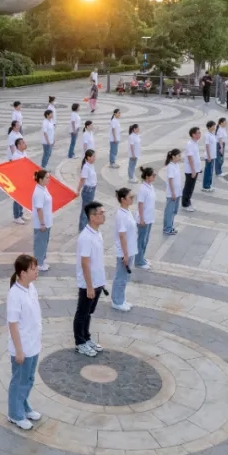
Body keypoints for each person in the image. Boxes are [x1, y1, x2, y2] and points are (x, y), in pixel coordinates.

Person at [6, 254, 42, 430]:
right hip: (23, 347)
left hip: (33, 344)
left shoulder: (31, 287)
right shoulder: (15, 294)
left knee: (28, 379)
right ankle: (15, 413)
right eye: (33, 269)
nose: (37, 272)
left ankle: (23, 405)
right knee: (19, 380)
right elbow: (13, 325)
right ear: (22, 273)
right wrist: (19, 350)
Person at [74, 201, 107, 357]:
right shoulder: (86, 237)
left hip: (97, 281)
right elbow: (85, 263)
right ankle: (80, 342)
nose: (104, 215)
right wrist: (89, 286)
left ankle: (86, 338)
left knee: (89, 313)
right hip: (89, 283)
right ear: (92, 217)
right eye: (101, 213)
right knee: (82, 313)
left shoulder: (97, 233)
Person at [111, 187, 137, 312]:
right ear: (122, 199)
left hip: (130, 249)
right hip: (124, 251)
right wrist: (125, 254)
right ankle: (117, 301)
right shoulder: (121, 215)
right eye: (130, 197)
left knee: (125, 276)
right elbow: (122, 235)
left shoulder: (127, 212)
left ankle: (121, 298)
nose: (132, 199)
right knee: (121, 276)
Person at [32, 170, 53, 271]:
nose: (49, 179)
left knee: (44, 242)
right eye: (47, 178)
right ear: (40, 180)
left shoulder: (44, 188)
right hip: (41, 222)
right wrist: (42, 223)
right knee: (40, 242)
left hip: (47, 221)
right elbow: (39, 208)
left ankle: (42, 259)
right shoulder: (38, 192)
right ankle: (39, 263)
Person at [136, 167, 157, 269]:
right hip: (144, 218)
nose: (155, 177)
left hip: (149, 217)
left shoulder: (150, 186)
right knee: (141, 240)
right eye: (153, 175)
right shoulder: (143, 189)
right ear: (148, 177)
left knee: (146, 239)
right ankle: (139, 261)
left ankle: (142, 258)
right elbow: (140, 204)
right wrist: (141, 218)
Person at [163, 149, 183, 235]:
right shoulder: (170, 167)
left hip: (177, 192)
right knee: (170, 211)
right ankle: (167, 228)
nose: (180, 157)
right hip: (172, 193)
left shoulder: (176, 165)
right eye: (178, 156)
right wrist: (173, 193)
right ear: (173, 157)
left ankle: (170, 226)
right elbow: (170, 180)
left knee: (174, 211)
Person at [77, 149, 97, 231]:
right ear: (88, 157)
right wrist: (78, 190)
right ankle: (82, 228)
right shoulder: (86, 167)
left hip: (92, 190)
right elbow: (82, 180)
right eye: (93, 156)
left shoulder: (91, 165)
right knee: (85, 210)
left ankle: (86, 226)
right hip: (88, 191)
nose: (95, 158)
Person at [182, 127, 202, 212]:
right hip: (190, 170)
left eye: (199, 133)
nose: (199, 134)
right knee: (188, 187)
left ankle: (188, 201)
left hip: (195, 169)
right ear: (193, 134)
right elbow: (190, 158)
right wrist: (193, 170)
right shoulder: (190, 144)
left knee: (192, 187)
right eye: (198, 133)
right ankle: (185, 204)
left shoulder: (195, 143)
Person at [10, 138, 28, 224]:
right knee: (17, 198)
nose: (25, 144)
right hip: (18, 179)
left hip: (24, 178)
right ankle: (16, 216)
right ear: (18, 145)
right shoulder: (16, 156)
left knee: (22, 197)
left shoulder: (23, 153)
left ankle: (21, 213)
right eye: (23, 143)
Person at [202, 121, 218, 193]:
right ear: (209, 127)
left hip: (213, 156)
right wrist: (208, 156)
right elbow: (207, 146)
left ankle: (209, 184)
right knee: (208, 171)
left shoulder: (212, 134)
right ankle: (206, 186)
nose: (214, 127)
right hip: (209, 156)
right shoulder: (207, 135)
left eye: (214, 126)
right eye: (213, 126)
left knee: (211, 171)